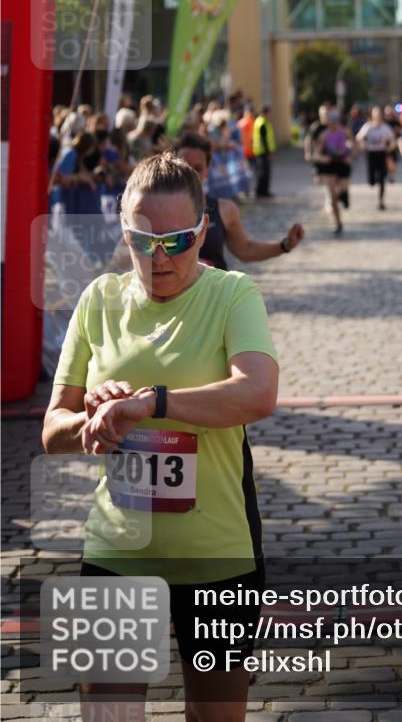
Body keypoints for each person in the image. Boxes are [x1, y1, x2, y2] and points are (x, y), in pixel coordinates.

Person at [42, 152, 279, 722]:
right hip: (117, 551)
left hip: (216, 558)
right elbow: (54, 430)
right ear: (123, 232)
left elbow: (258, 393)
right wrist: (96, 421)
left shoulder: (232, 294)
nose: (159, 257)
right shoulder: (99, 300)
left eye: (177, 241)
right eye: (142, 240)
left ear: (202, 230)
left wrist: (154, 402)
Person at [175, 133, 304, 269]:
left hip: (217, 282)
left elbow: (245, 249)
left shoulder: (224, 209)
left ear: (208, 169)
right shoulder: (160, 210)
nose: (191, 174)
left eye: (198, 168)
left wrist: (285, 245)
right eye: (185, 167)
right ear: (172, 167)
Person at [315, 108, 352, 235]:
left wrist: (350, 157)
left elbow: (356, 146)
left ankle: (344, 196)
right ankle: (338, 223)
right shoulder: (324, 135)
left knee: (343, 189)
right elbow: (317, 154)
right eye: (331, 120)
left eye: (335, 120)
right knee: (333, 197)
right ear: (327, 121)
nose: (333, 123)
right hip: (330, 165)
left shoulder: (345, 132)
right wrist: (323, 159)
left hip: (343, 163)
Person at [355, 106, 396, 210]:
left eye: (379, 114)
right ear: (372, 116)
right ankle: (374, 179)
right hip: (371, 154)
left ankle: (381, 201)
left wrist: (389, 148)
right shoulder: (368, 127)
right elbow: (358, 137)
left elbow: (393, 140)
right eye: (375, 114)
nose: (378, 116)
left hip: (381, 154)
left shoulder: (385, 128)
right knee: (371, 181)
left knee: (382, 179)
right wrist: (362, 145)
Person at [252, 105, 275, 198]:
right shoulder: (262, 123)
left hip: (260, 152)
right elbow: (264, 139)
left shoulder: (259, 121)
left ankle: (262, 191)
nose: (270, 115)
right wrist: (269, 152)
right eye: (269, 113)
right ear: (265, 113)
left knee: (262, 172)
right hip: (263, 152)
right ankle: (262, 191)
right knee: (263, 173)